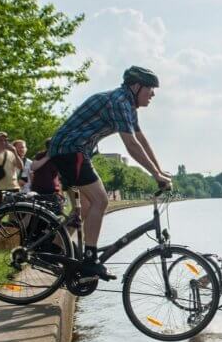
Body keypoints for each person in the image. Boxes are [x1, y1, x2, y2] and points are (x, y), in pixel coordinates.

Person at [47, 65, 172, 279]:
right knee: (101, 201)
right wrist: (155, 175)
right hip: (70, 150)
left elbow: (141, 139)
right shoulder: (120, 101)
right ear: (135, 86)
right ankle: (90, 260)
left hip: (73, 150)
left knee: (85, 207)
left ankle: (53, 250)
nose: (153, 94)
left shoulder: (128, 106)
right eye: (150, 88)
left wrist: (159, 171)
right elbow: (131, 145)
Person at [28, 137, 63, 209]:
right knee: (37, 212)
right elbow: (33, 167)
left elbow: (60, 175)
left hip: (53, 190)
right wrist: (47, 157)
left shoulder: (58, 157)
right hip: (38, 189)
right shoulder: (41, 155)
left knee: (54, 213)